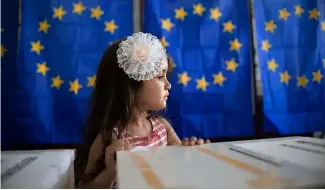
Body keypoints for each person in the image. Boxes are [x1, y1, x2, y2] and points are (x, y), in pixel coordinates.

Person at [74, 32, 210, 189]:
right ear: (131, 87)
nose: (168, 84)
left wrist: (193, 152)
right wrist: (111, 172)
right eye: (160, 77)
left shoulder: (163, 128)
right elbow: (83, 187)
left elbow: (181, 169)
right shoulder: (109, 137)